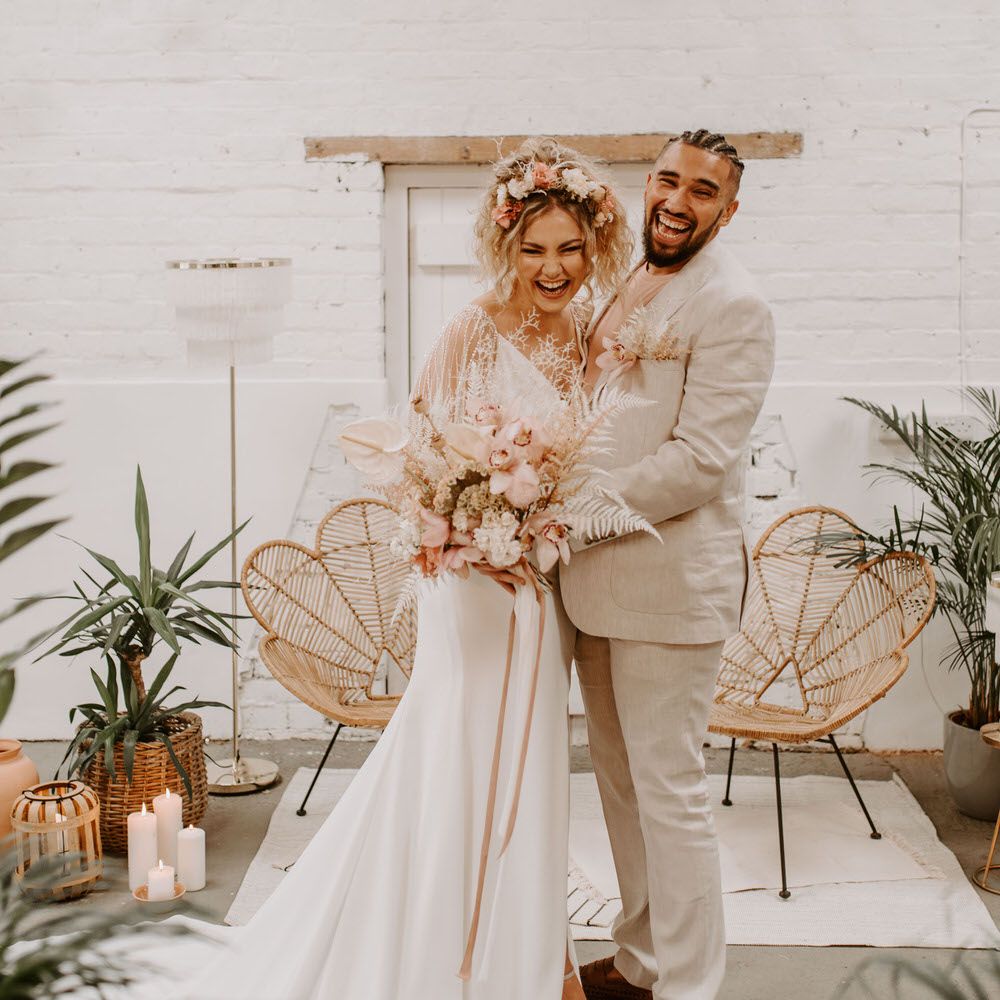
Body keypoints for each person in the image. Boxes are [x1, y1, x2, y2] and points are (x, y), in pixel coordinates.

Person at [98, 138, 632, 1000]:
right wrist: (463, 537)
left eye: (570, 248)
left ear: (594, 245)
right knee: (454, 747)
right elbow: (419, 452)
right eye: (534, 248)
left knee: (532, 760)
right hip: (470, 586)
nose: (554, 266)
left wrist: (541, 529)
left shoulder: (593, 342)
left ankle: (527, 959)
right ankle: (439, 951)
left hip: (540, 589)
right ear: (507, 246)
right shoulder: (471, 329)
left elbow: (592, 464)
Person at [560, 130, 776, 1000]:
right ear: (648, 183)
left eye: (703, 190)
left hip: (669, 587)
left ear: (729, 208)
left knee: (673, 799)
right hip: (598, 590)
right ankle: (642, 962)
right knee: (621, 790)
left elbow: (700, 461)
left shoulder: (736, 305)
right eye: (668, 179)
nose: (678, 201)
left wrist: (569, 515)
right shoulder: (630, 275)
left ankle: (687, 988)